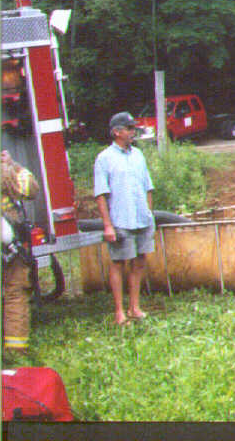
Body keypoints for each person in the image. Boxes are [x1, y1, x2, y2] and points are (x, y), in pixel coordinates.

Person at [94, 112, 155, 325]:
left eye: (133, 128)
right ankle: (119, 312)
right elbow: (101, 194)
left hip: (142, 218)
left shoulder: (138, 155)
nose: (133, 132)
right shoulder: (104, 159)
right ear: (116, 132)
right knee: (118, 263)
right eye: (129, 129)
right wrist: (108, 225)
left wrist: (149, 213)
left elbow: (148, 186)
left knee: (139, 262)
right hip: (121, 220)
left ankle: (134, 308)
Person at [2, 150, 39, 358]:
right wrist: (13, 165)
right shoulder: (3, 170)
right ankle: (15, 353)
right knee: (15, 293)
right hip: (7, 248)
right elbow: (29, 190)